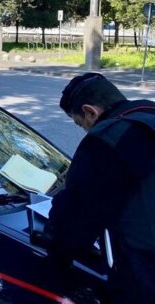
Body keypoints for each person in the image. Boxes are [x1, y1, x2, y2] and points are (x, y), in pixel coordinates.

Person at [46, 72, 155, 303]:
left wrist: (56, 256)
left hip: (145, 269)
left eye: (80, 123)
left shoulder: (110, 137)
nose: (84, 129)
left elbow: (76, 216)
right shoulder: (148, 116)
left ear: (90, 111)